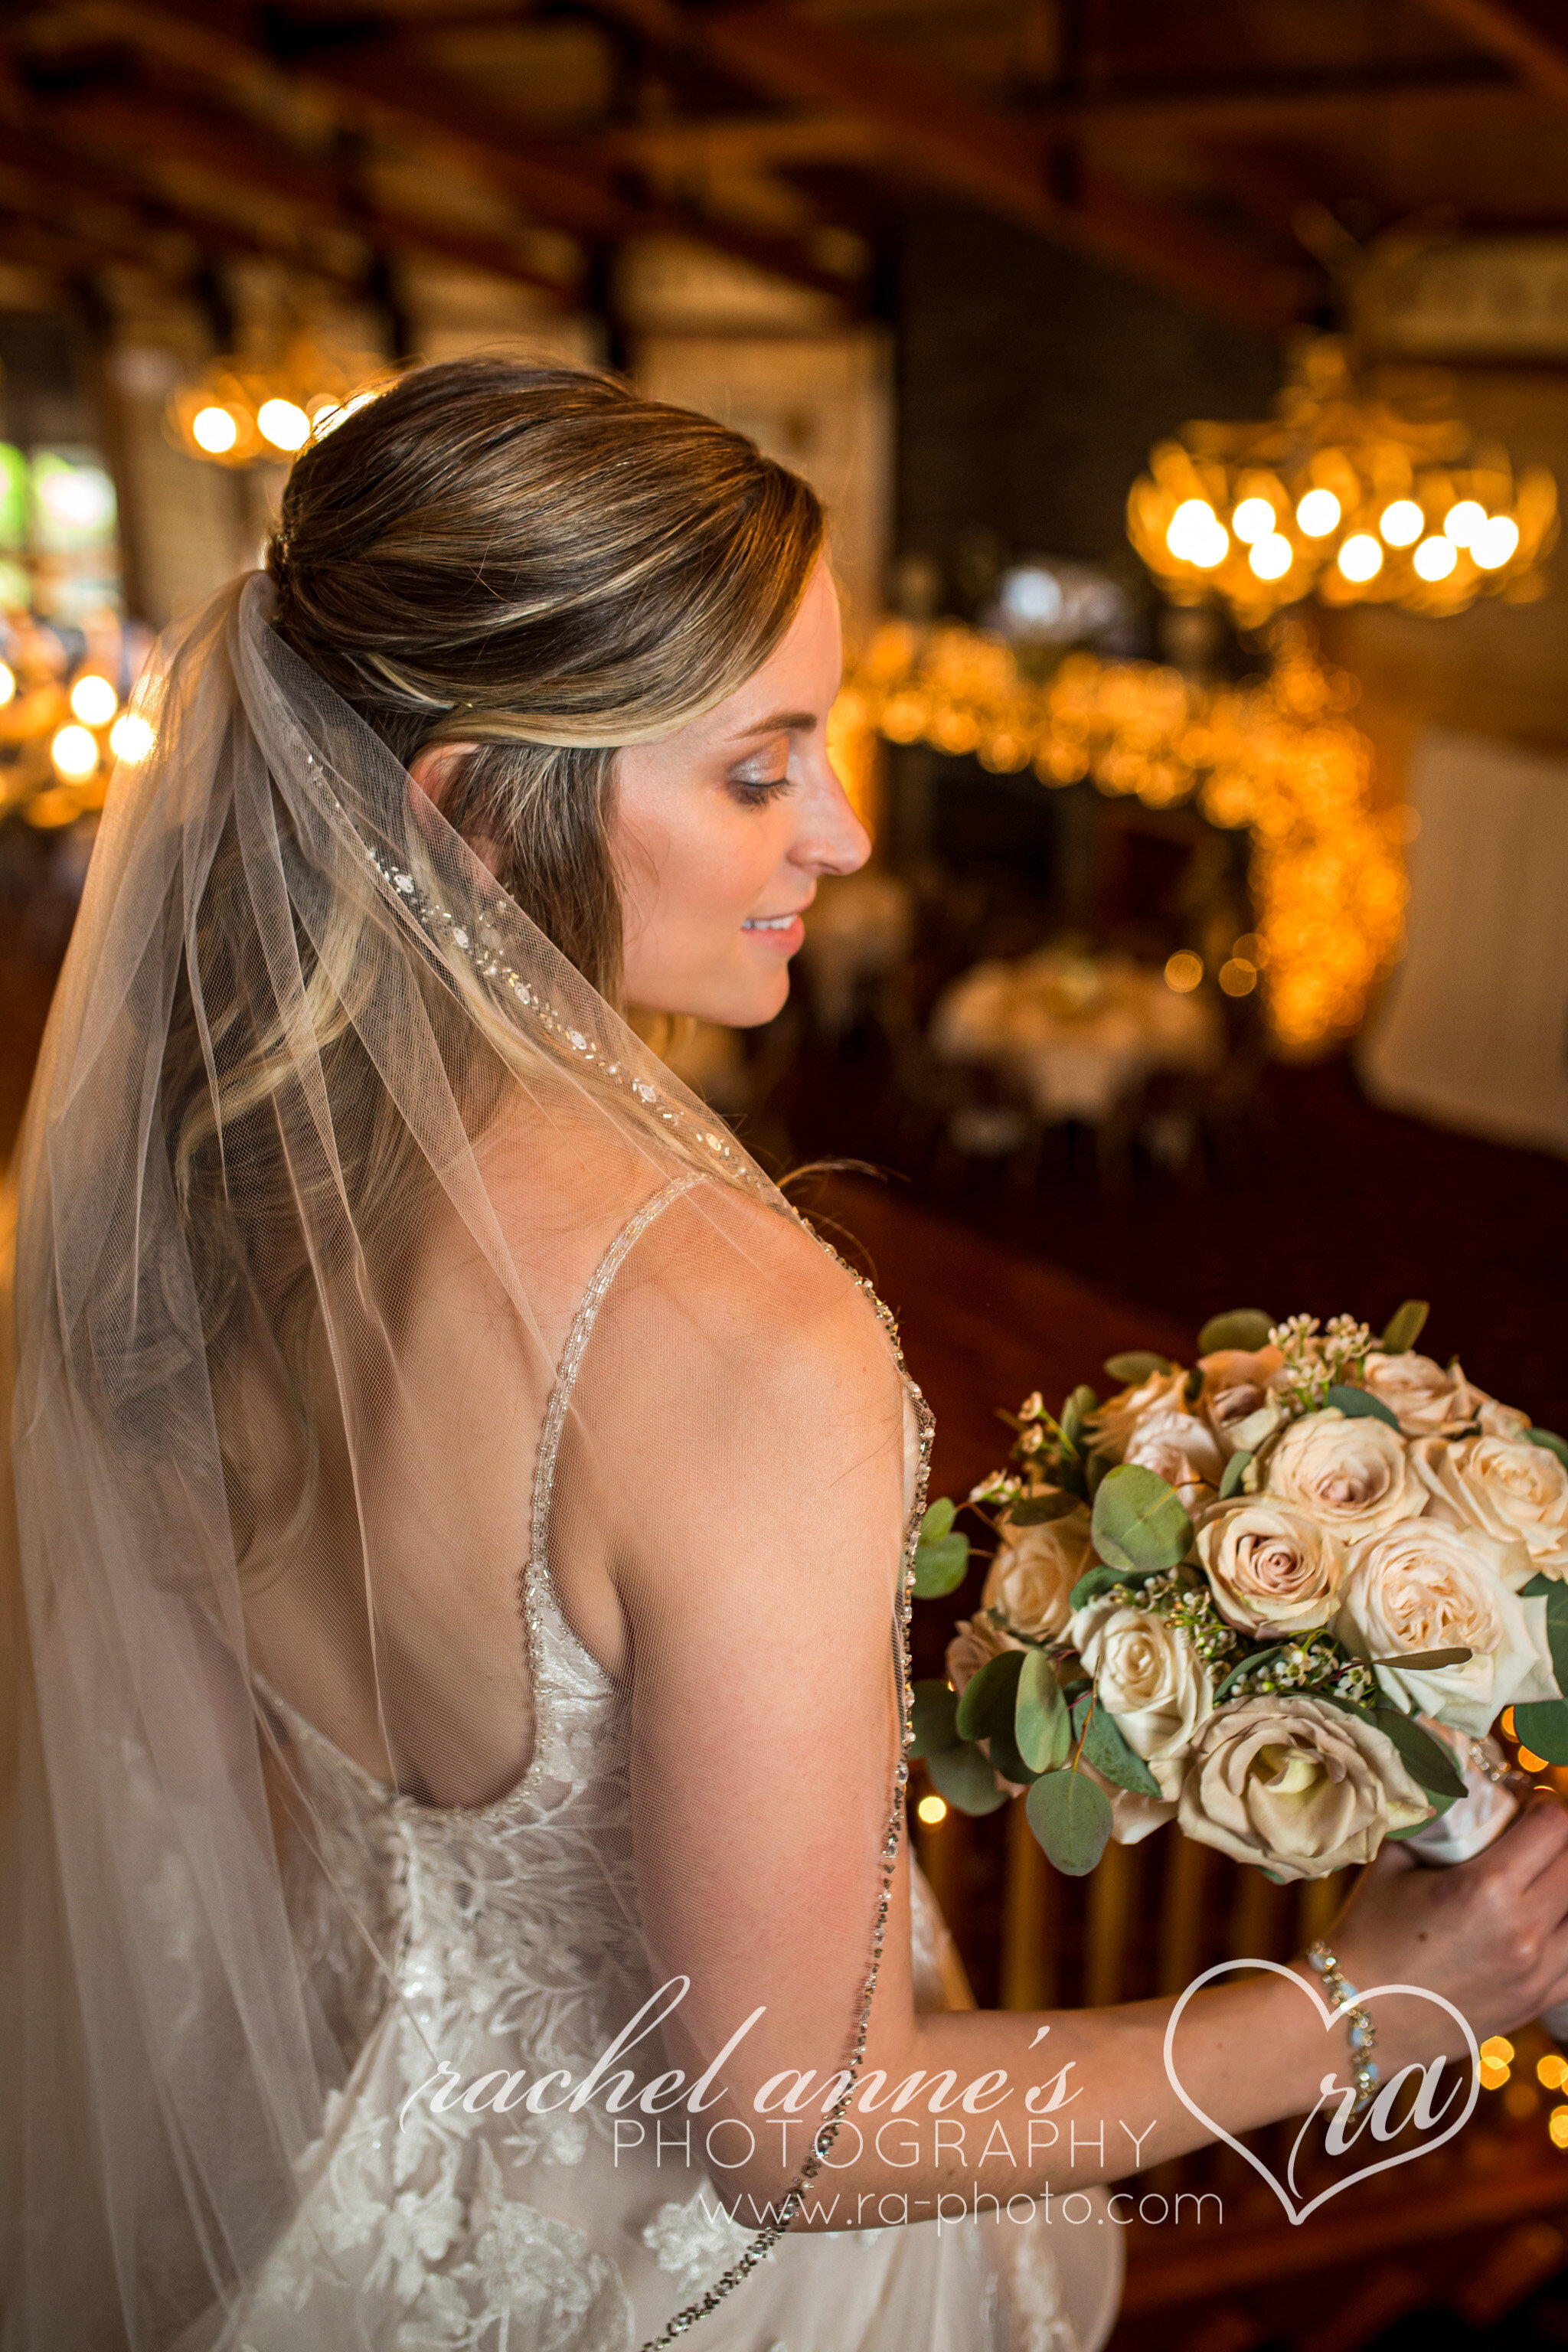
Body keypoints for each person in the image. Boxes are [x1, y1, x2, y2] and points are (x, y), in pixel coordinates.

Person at [4, 358, 1567, 2352]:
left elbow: (221, 1825)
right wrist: (1371, 2010)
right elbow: (798, 2131)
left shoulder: (191, 1205)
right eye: (761, 771)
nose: (840, 834)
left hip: (342, 2219)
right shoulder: (742, 1340)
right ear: (475, 810)